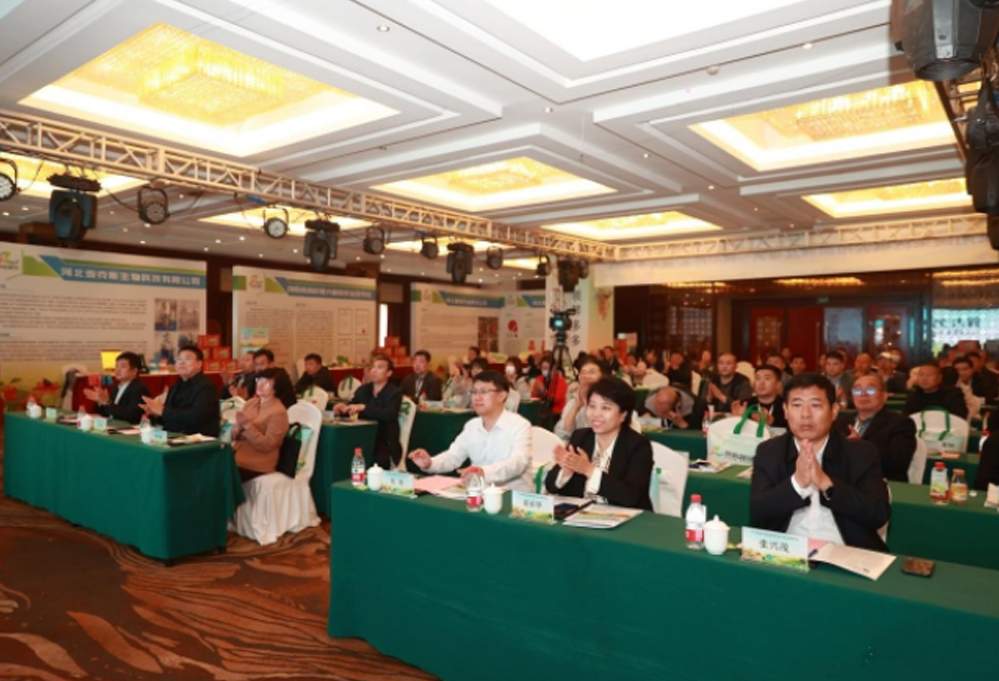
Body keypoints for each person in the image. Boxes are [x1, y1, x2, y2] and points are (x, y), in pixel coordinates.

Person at [750, 373, 892, 552]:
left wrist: (826, 484)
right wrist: (797, 484)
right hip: (788, 550)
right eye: (797, 405)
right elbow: (759, 513)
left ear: (834, 411)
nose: (805, 414)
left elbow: (878, 514)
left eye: (816, 405)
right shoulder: (769, 451)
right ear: (785, 410)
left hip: (845, 552)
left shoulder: (860, 452)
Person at [408, 371, 533, 490]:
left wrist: (483, 472)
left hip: (513, 496)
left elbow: (518, 463)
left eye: (484, 392)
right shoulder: (472, 426)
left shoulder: (519, 425)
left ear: (502, 396)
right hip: (479, 493)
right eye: (474, 392)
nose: (477, 397)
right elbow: (453, 457)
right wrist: (430, 463)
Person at [545, 376, 653, 509]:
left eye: (605, 408)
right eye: (592, 406)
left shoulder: (638, 445)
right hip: (582, 515)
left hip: (626, 518)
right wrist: (565, 472)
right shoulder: (581, 437)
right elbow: (550, 485)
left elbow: (630, 496)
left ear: (623, 415)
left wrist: (589, 470)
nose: (596, 414)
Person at [833, 375, 917, 483]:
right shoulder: (842, 422)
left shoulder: (901, 423)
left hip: (883, 484)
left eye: (870, 390)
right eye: (857, 391)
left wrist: (862, 446)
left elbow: (899, 463)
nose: (863, 394)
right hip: (844, 484)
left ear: (884, 396)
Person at [335, 355, 402, 468]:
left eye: (379, 367)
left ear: (389, 373)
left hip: (384, 438)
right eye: (373, 367)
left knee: (378, 459)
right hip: (362, 434)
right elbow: (352, 408)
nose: (374, 370)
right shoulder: (363, 390)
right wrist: (341, 409)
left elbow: (389, 415)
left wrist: (364, 407)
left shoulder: (394, 392)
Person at [140, 345, 220, 436]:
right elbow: (170, 417)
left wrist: (163, 411)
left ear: (199, 364)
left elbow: (196, 417)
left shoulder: (206, 387)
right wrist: (155, 414)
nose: (181, 363)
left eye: (187, 359)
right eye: (178, 359)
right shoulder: (176, 385)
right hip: (174, 435)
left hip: (199, 438)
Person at [232, 368, 291, 482]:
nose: (260, 384)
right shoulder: (250, 403)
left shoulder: (278, 412)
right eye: (259, 380)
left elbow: (267, 445)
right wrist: (237, 429)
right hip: (237, 458)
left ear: (277, 387)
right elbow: (235, 436)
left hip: (257, 465)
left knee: (220, 478)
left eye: (267, 382)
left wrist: (247, 426)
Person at [83, 351, 150, 424]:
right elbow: (108, 413)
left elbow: (131, 415)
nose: (118, 369)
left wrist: (107, 402)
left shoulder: (139, 389)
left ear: (134, 371)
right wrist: (100, 402)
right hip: (113, 425)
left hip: (129, 427)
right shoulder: (116, 388)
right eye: (116, 366)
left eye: (123, 367)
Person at [555, 356, 606, 440]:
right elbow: (561, 433)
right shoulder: (573, 402)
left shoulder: (609, 401)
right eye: (583, 372)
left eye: (592, 372)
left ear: (602, 375)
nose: (586, 376)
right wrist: (576, 406)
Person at [904, 363, 968, 420]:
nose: (924, 378)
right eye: (921, 375)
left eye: (929, 375)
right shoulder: (914, 395)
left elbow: (959, 419)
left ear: (940, 378)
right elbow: (907, 418)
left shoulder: (953, 395)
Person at [639, 385, 704, 431]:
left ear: (676, 406)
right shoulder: (648, 402)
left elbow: (697, 435)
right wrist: (645, 414)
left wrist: (681, 423)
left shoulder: (696, 408)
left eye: (664, 412)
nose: (659, 414)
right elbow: (638, 414)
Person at [531, 354, 568, 423]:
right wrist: (536, 392)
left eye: (546, 368)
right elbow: (533, 397)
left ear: (554, 368)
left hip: (556, 412)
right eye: (542, 368)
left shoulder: (560, 380)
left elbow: (556, 399)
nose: (544, 370)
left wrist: (544, 391)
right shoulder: (540, 378)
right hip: (541, 409)